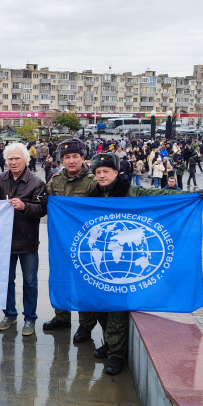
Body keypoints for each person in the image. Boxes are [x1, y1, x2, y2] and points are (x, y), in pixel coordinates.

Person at [43, 138, 99, 343]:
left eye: (75, 156)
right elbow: (45, 201)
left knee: (84, 282)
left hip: (86, 244)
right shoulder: (55, 180)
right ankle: (62, 317)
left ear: (83, 158)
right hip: (61, 242)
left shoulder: (93, 181)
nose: (71, 161)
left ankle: (85, 326)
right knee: (62, 278)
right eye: (67, 157)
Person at [0, 143, 47, 337]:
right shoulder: (1, 179)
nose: (13, 162)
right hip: (6, 240)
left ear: (26, 160)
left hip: (27, 240)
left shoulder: (36, 183)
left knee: (30, 281)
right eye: (10, 159)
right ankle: (10, 314)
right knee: (7, 280)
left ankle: (30, 318)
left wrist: (24, 206)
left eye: (17, 158)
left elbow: (42, 210)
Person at [87, 152, 130, 375]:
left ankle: (117, 356)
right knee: (101, 308)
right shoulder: (94, 195)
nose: (101, 175)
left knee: (116, 311)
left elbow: (158, 195)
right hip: (100, 261)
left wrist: (194, 195)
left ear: (116, 172)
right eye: (98, 172)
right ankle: (109, 343)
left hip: (122, 261)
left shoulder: (130, 191)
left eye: (106, 171)